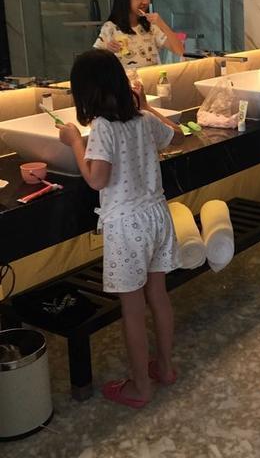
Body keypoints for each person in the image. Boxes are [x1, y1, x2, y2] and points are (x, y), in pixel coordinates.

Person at [58, 48, 183, 408]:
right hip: (157, 216)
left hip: (127, 226)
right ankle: (165, 368)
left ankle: (140, 388)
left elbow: (97, 180)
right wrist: (146, 106)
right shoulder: (141, 119)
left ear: (86, 92)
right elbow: (174, 134)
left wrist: (75, 142)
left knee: (132, 309)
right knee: (158, 295)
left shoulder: (102, 127)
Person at [94, 0, 183, 68]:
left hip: (152, 77)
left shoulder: (151, 27)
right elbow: (94, 62)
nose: (146, 2)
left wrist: (162, 24)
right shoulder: (110, 27)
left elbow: (180, 51)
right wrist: (107, 51)